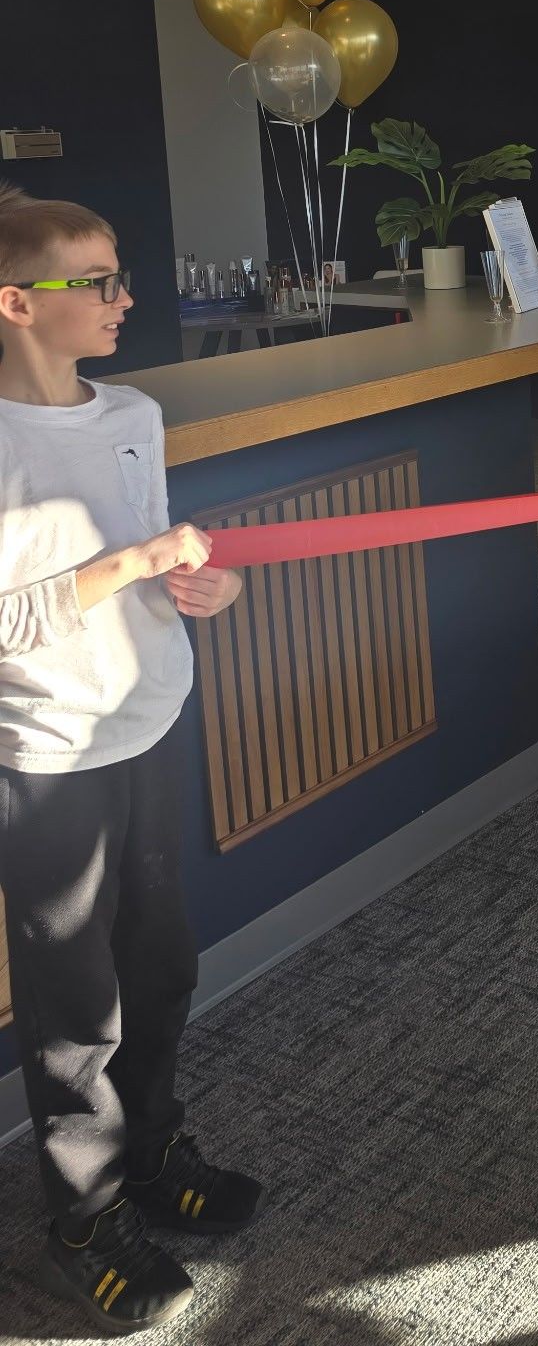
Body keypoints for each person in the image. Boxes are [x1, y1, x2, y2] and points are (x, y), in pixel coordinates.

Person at [0, 184, 260, 1332]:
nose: (123, 297)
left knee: (160, 968)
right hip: (50, 756)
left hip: (149, 721)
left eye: (120, 274)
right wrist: (134, 563)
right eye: (95, 280)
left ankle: (152, 1154)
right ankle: (87, 1213)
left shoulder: (134, 412)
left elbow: (155, 557)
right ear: (16, 302)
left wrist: (202, 584)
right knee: (76, 1008)